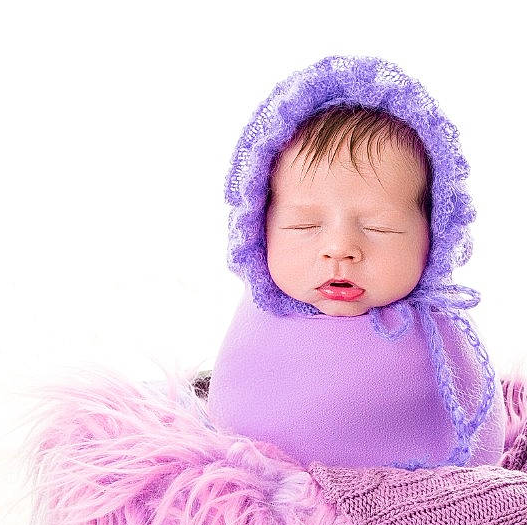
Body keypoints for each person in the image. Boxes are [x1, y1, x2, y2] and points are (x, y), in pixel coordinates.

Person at [206, 56, 506, 470]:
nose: (340, 249)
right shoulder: (259, 322)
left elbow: (480, 448)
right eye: (304, 225)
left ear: (434, 236)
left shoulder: (439, 339)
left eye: (380, 228)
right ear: (260, 228)